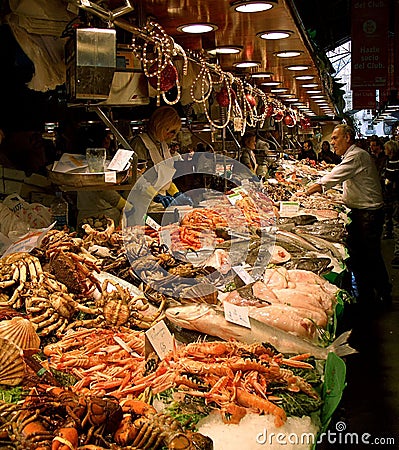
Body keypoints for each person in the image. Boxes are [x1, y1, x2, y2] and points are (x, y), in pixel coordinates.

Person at [303, 124, 392, 307]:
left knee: (370, 256)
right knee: (363, 256)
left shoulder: (357, 155)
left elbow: (332, 177)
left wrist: (305, 193)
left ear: (348, 138)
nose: (332, 142)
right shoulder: (351, 155)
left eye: (335, 138)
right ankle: (368, 294)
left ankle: (381, 295)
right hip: (363, 212)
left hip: (368, 214)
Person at [129, 105, 192, 208]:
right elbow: (135, 177)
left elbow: (165, 178)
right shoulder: (139, 143)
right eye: (171, 131)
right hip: (140, 203)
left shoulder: (163, 145)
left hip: (158, 203)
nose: (173, 135)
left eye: (175, 132)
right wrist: (155, 196)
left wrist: (175, 193)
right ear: (160, 126)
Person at [384, 140, 399, 267]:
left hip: (396, 196)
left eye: (386, 149)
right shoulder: (389, 160)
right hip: (391, 196)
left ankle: (398, 255)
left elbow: (393, 177)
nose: (385, 151)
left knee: (397, 223)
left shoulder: (396, 161)